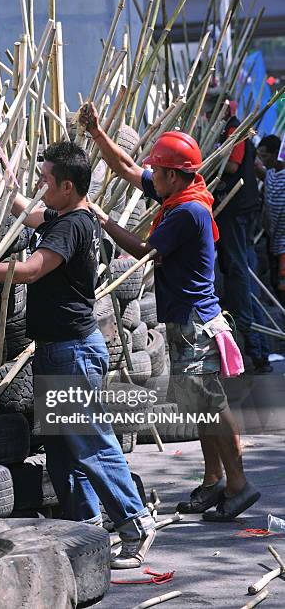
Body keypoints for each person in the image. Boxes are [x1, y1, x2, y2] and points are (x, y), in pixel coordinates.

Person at [0, 141, 156, 569]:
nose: (39, 187)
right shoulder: (72, 217)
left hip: (72, 353)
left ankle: (135, 523)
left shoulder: (72, 226)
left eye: (45, 181)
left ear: (67, 186)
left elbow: (33, 269)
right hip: (58, 351)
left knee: (90, 444)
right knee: (62, 450)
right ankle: (86, 530)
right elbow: (29, 213)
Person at [79, 104, 260, 521]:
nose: (151, 175)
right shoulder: (179, 191)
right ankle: (214, 480)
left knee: (212, 406)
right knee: (200, 408)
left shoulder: (186, 211)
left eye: (157, 171)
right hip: (185, 322)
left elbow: (144, 251)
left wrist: (101, 217)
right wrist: (98, 133)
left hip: (194, 325)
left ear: (173, 175)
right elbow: (126, 168)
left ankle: (238, 485)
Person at [204, 90, 271, 372]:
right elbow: (256, 165)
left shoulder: (235, 129)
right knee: (238, 269)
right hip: (237, 210)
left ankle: (251, 338)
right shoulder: (233, 129)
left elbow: (233, 164)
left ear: (221, 110)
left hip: (237, 211)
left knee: (239, 271)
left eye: (210, 111)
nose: (207, 117)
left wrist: (208, 163)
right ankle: (253, 342)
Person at [256, 135, 285, 306]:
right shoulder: (270, 175)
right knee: (276, 285)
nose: (262, 160)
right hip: (273, 243)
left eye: (265, 156)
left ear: (276, 154)